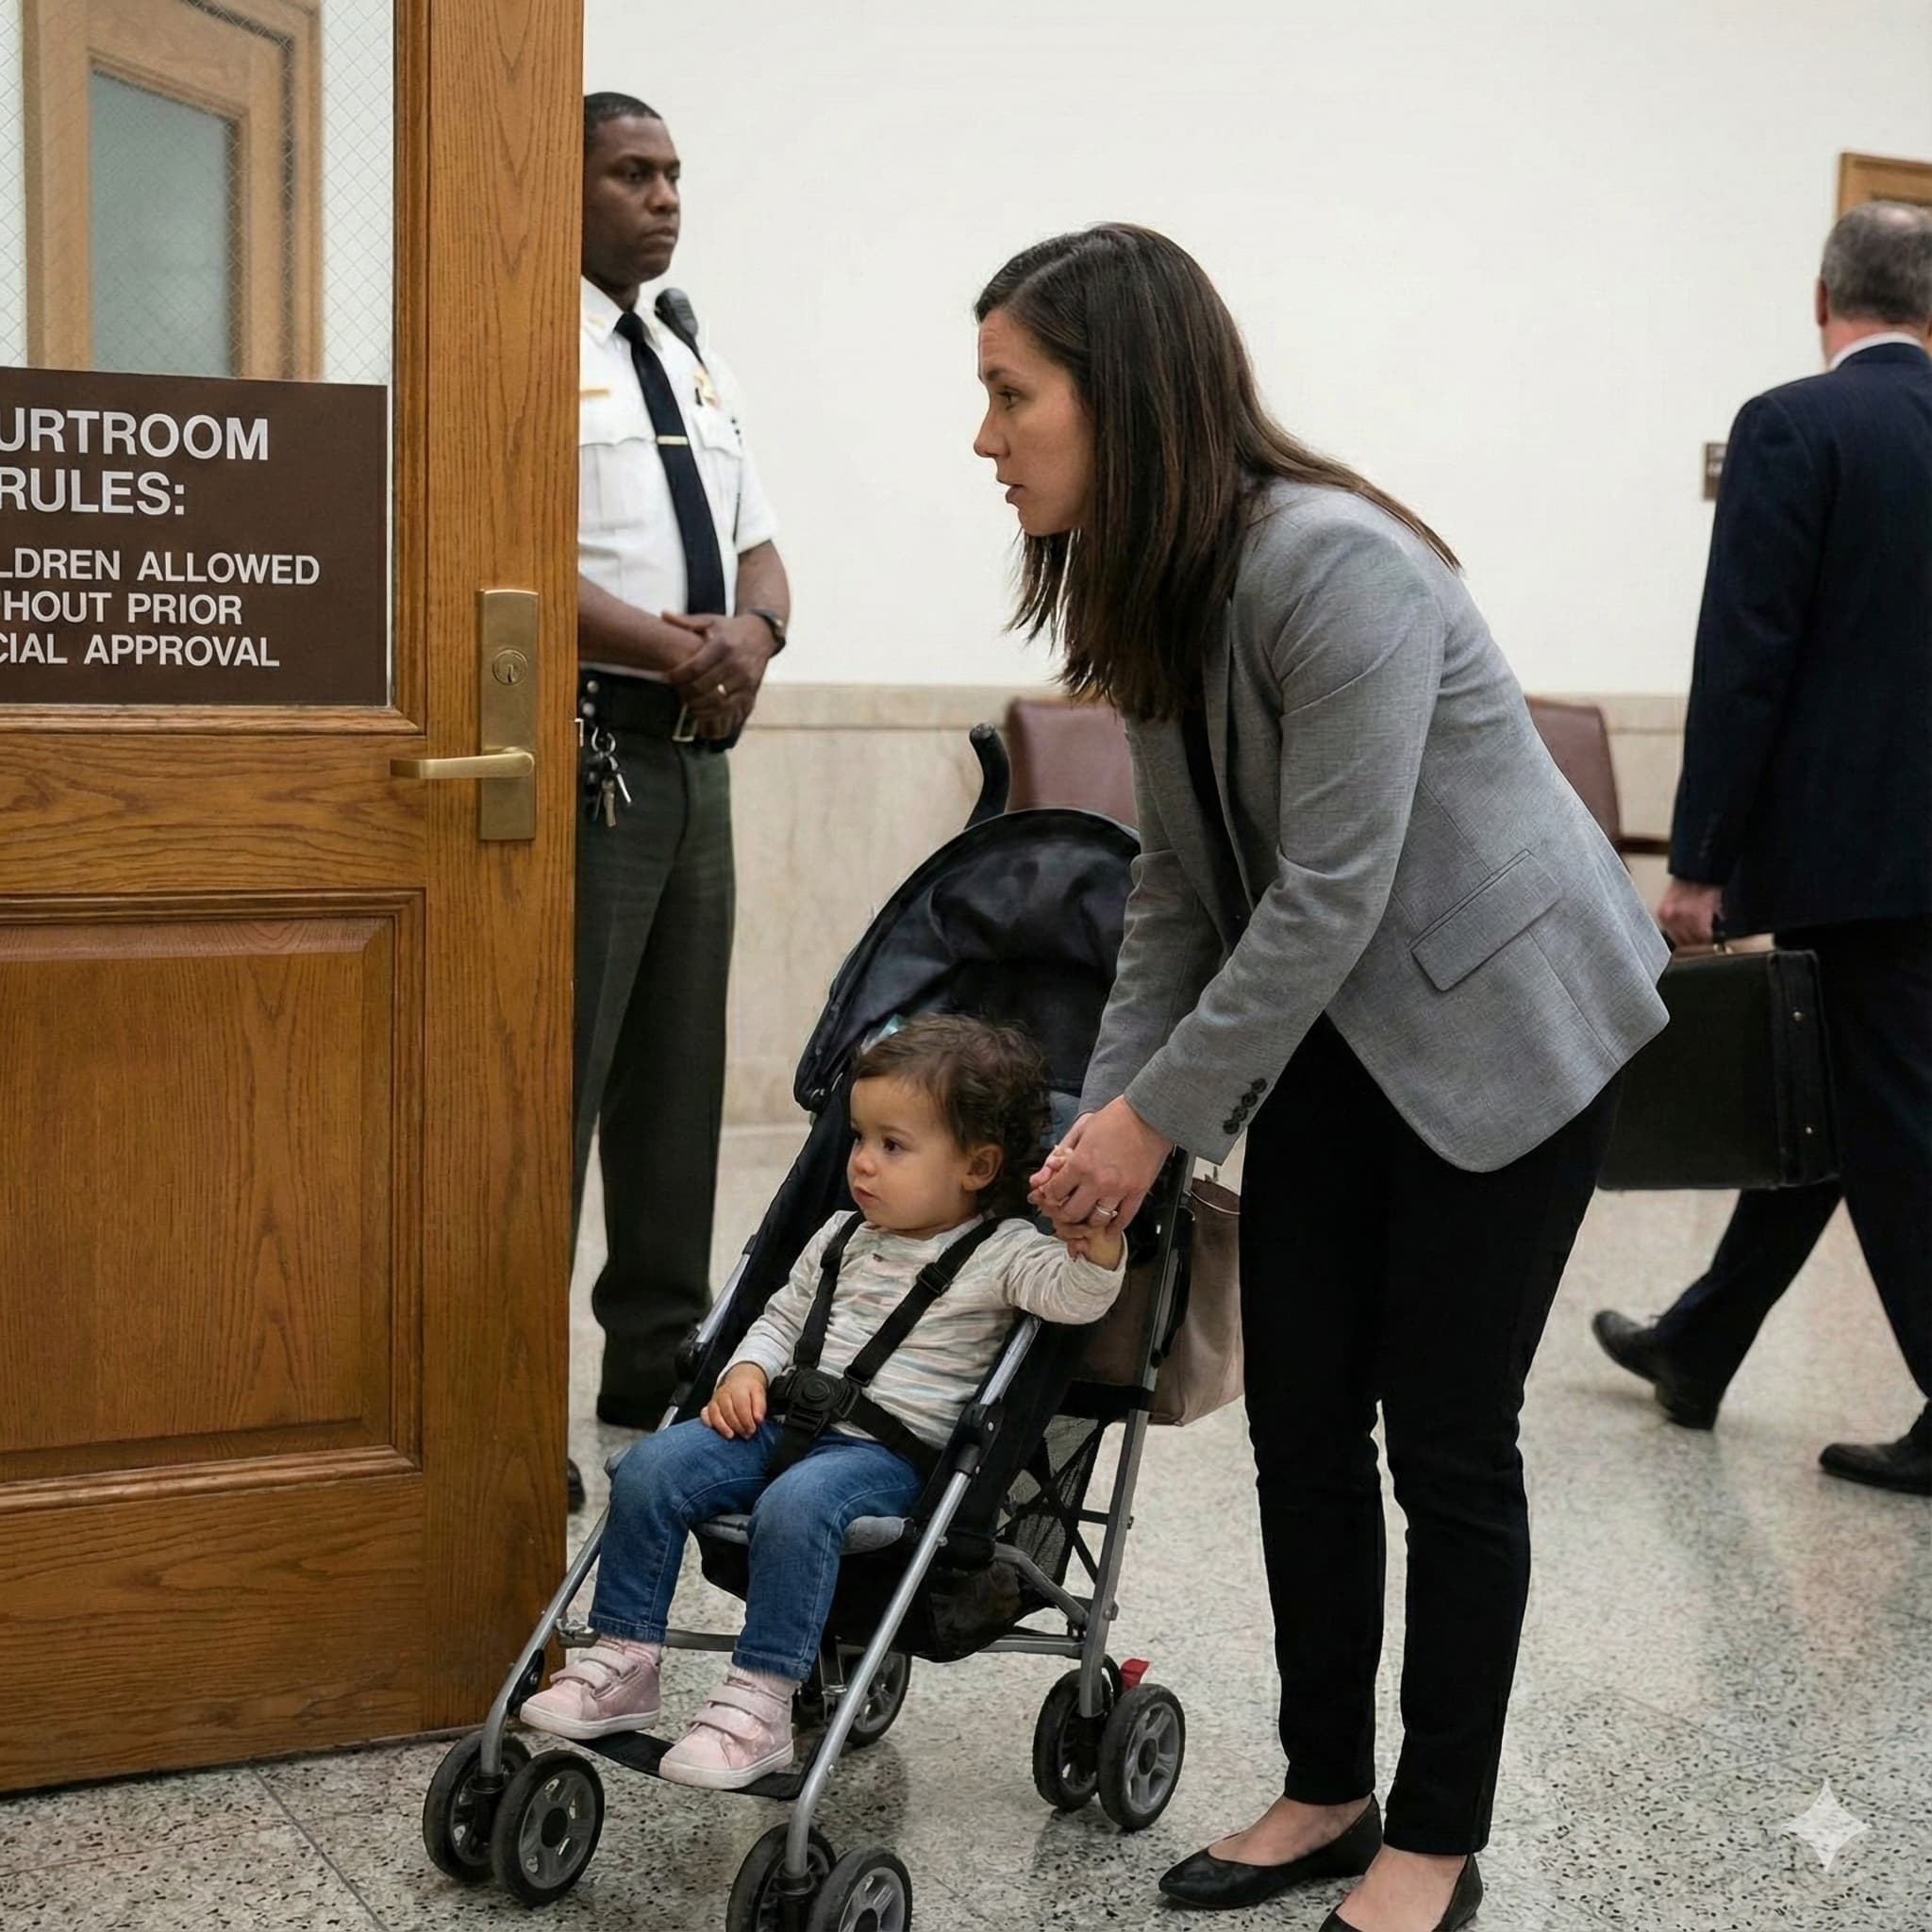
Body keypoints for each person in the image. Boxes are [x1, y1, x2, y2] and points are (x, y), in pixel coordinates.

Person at [985, 225, 1668, 1932]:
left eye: (1011, 396)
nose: (984, 438)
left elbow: (1325, 891)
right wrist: (1107, 1106)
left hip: (1506, 1032)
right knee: (1298, 1420)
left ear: (1119, 398)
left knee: (1445, 1437)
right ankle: (1324, 1785)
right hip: (1344, 1035)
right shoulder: (1151, 583)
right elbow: (1179, 891)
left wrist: (1157, 1123)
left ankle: (1433, 1834)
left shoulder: (1333, 564)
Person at [522, 1015, 1125, 1787]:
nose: (863, 1164)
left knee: (800, 1505)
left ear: (977, 1167)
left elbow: (1080, 1296)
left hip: (884, 1459)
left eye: (893, 1145)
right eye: (859, 1139)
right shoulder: (841, 1235)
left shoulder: (1008, 1253)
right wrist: (744, 1371)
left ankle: (760, 1701)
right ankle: (625, 1657)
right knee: (648, 1466)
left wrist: (1095, 1239)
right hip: (780, 1423)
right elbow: (777, 1320)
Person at [1593, 202, 1932, 1498]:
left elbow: (1748, 659)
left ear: (1820, 297)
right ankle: (1701, 1340)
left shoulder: (1794, 424)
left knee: (1889, 1123)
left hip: (1847, 857)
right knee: (1837, 1099)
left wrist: (1699, 856)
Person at [568, 92, 793, 1507]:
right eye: (631, 174)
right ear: (561, 190)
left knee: (676, 1083)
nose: (664, 198)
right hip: (592, 743)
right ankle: (497, 1399)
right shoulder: (527, 345)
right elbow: (503, 542)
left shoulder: (686, 354)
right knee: (561, 1084)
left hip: (698, 751)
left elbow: (761, 546)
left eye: (672, 175)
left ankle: (652, 1368)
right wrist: (680, 648)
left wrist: (753, 640)